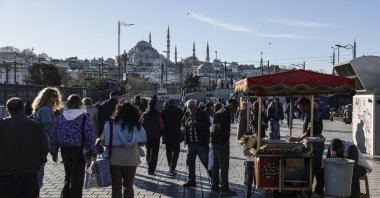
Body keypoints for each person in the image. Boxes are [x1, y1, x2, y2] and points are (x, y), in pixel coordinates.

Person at [0, 97, 49, 198]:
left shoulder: (1, 125)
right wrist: (39, 162)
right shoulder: (34, 125)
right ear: (23, 108)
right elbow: (44, 146)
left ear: (7, 109)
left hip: (5, 173)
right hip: (29, 171)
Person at [50, 94, 97, 198]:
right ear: (80, 104)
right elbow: (90, 136)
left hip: (65, 150)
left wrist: (54, 152)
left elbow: (55, 135)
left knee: (68, 175)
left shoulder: (61, 117)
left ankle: (65, 195)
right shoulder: (84, 117)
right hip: (79, 151)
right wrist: (94, 152)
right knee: (78, 178)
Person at [101, 102, 147, 198]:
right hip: (132, 159)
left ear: (118, 112)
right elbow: (142, 142)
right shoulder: (138, 127)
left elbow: (104, 142)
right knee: (128, 185)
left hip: (114, 159)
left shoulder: (109, 126)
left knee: (116, 187)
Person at [289, 97, 325, 195]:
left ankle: (318, 189)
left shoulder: (315, 114)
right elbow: (306, 131)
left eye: (301, 107)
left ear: (307, 105)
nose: (300, 109)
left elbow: (309, 131)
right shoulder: (308, 114)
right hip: (310, 143)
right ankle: (308, 188)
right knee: (310, 167)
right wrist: (298, 138)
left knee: (316, 167)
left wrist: (298, 139)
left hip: (316, 144)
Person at [31, 87, 63, 192]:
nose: (56, 99)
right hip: (42, 144)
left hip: (39, 143)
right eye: (55, 96)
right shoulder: (45, 110)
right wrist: (54, 148)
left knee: (39, 171)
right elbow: (49, 129)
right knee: (39, 171)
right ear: (49, 97)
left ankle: (35, 191)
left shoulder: (43, 108)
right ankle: (36, 193)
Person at [210, 99, 239, 195]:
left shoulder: (218, 111)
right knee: (224, 166)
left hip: (215, 141)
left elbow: (214, 127)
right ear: (230, 104)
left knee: (216, 165)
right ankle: (224, 188)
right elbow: (223, 129)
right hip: (221, 143)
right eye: (235, 107)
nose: (235, 109)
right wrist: (226, 140)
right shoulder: (226, 114)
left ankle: (214, 186)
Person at [181, 99, 211, 187]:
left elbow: (207, 124)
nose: (190, 109)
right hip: (191, 143)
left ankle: (215, 180)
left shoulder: (203, 113)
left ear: (196, 106)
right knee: (190, 162)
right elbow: (182, 123)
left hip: (201, 143)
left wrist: (196, 124)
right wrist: (182, 128)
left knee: (206, 162)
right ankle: (191, 180)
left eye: (192, 107)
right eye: (189, 108)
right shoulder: (187, 113)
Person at [140, 100, 164, 175]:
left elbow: (140, 125)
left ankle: (149, 164)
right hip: (156, 136)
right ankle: (151, 169)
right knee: (154, 153)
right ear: (155, 105)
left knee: (148, 150)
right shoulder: (158, 114)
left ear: (148, 105)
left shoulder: (144, 115)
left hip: (147, 136)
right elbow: (162, 126)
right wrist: (161, 132)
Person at [161, 99, 184, 175]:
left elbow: (161, 124)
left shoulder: (164, 112)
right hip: (176, 134)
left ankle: (170, 165)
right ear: (174, 103)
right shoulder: (179, 111)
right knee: (176, 151)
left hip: (167, 134)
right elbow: (183, 121)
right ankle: (173, 167)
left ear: (168, 103)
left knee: (168, 151)